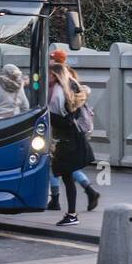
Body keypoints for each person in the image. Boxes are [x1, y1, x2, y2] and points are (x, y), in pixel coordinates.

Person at [48, 62, 100, 225]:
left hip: (66, 140)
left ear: (56, 76)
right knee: (67, 176)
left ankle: (71, 214)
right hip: (71, 139)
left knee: (67, 176)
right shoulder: (69, 89)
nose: (47, 77)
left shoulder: (57, 93)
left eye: (49, 74)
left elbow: (61, 119)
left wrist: (44, 114)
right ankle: (72, 212)